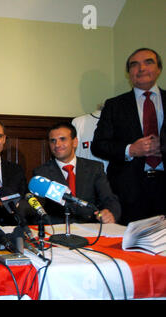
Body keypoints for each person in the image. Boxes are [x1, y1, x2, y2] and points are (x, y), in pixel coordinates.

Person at [92, 48, 165, 225]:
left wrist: (162, 146)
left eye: (148, 62)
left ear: (159, 69)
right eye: (134, 64)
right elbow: (99, 145)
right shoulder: (114, 105)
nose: (141, 68)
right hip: (129, 191)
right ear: (129, 73)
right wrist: (130, 149)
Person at [34, 122, 121, 224]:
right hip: (58, 231)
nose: (57, 145)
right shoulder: (42, 172)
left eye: (62, 139)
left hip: (90, 228)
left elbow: (109, 199)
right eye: (53, 141)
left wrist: (109, 213)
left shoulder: (94, 168)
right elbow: (37, 208)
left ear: (74, 142)